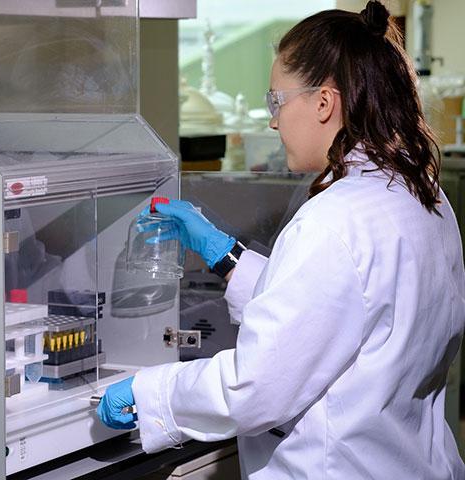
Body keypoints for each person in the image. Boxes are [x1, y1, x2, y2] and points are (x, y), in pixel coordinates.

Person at [97, 1, 465, 478]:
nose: (273, 121)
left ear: (324, 103)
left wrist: (150, 391)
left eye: (277, 101)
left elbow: (256, 387)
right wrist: (225, 255)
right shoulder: (426, 195)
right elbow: (337, 311)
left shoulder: (333, 221)